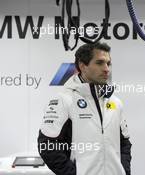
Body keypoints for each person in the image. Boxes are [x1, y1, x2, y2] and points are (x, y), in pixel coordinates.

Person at [38, 42, 132, 175]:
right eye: (100, 63)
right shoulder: (64, 100)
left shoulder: (115, 102)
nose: (106, 69)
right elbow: (47, 146)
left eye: (108, 63)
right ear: (83, 66)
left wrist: (123, 170)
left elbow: (125, 144)